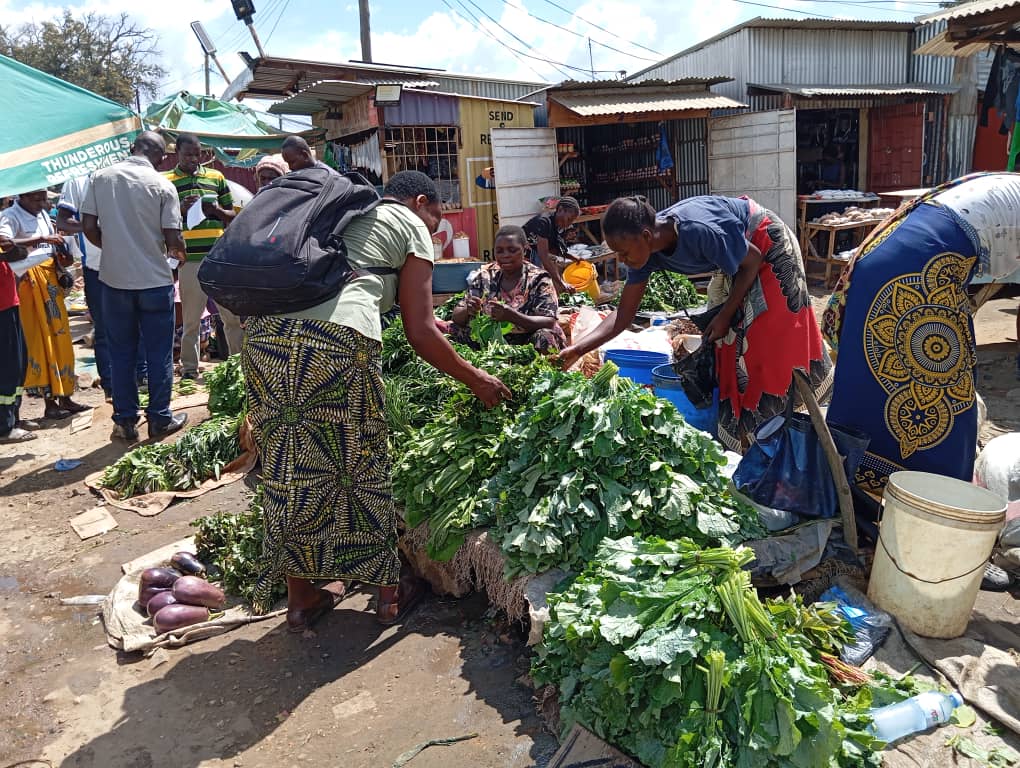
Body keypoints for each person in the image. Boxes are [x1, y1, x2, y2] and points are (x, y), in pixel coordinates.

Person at [242, 169, 510, 631]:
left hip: (264, 340)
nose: (435, 228)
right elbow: (420, 331)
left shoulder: (341, 216)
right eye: (436, 217)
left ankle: (302, 599)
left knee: (290, 468)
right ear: (421, 202)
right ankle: (390, 594)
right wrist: (478, 381)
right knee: (361, 465)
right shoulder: (406, 223)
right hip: (334, 344)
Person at [558, 195, 833, 452]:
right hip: (737, 262)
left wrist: (725, 315)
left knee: (764, 341)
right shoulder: (644, 251)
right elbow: (623, 315)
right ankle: (748, 444)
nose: (621, 260)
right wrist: (578, 349)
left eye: (623, 253)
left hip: (765, 245)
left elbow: (752, 261)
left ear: (645, 236)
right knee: (730, 347)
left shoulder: (699, 229)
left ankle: (781, 434)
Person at [823, 172, 1020, 497]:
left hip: (889, 258)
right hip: (919, 265)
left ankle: (855, 478)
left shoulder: (1004, 189)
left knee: (869, 375)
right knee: (943, 390)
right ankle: (935, 498)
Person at [81, 131, 189, 442]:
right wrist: (175, 264)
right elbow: (174, 240)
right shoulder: (162, 185)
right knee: (158, 353)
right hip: (155, 282)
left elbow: (88, 226)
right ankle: (159, 420)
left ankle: (125, 422)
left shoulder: (101, 178)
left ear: (132, 148)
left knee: (121, 352)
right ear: (160, 157)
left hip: (114, 281)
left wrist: (115, 250)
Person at [56, 174, 147, 399]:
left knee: (138, 321)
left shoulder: (125, 174)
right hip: (96, 267)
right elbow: (62, 222)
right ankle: (111, 385)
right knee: (105, 329)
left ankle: (142, 377)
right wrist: (94, 227)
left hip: (130, 262)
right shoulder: (77, 181)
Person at [0, 190, 86, 419]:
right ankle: (49, 401)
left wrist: (62, 255)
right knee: (41, 338)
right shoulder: (10, 216)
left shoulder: (44, 215)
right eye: (37, 199)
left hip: (50, 281)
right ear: (23, 198)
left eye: (44, 199)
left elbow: (53, 247)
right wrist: (40, 240)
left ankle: (65, 396)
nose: (43, 204)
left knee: (61, 335)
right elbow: (5, 243)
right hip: (28, 283)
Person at [163, 133, 243, 378]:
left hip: (217, 259)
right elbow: (159, 220)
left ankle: (239, 366)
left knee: (230, 316)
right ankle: (189, 368)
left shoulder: (216, 177)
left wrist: (216, 210)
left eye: (197, 154)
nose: (193, 159)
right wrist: (181, 209)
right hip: (189, 260)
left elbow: (233, 216)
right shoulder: (166, 181)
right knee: (191, 320)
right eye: (188, 154)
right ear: (177, 152)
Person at [449, 224, 566, 353]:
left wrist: (512, 316)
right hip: (492, 342)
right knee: (452, 331)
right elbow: (456, 316)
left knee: (545, 337)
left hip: (528, 341)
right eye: (499, 251)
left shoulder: (539, 279)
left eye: (512, 250)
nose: (505, 255)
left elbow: (549, 321)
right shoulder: (485, 277)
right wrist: (468, 309)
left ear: (525, 250)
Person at [0, 235, 34, 443]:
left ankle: (13, 418)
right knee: (8, 368)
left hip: (8, 304)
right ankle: (4, 427)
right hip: (2, 309)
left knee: (18, 365)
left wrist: (11, 247)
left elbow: (18, 255)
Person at [523, 196, 581, 294]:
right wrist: (561, 282)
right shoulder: (544, 222)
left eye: (572, 221)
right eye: (569, 219)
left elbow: (554, 248)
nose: (569, 224)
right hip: (522, 257)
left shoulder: (555, 225)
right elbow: (544, 256)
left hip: (533, 256)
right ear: (560, 209)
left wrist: (573, 258)